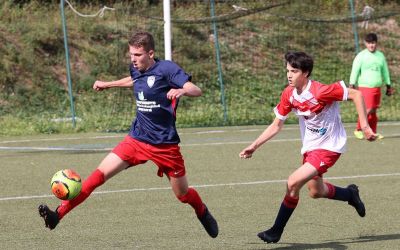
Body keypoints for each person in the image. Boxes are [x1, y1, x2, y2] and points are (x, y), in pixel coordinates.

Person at [38, 31, 218, 238]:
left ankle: (201, 211)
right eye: (131, 54)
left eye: (138, 55)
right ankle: (57, 215)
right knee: (98, 176)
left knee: (183, 195)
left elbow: (196, 89)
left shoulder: (167, 69)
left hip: (165, 146)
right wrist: (108, 84)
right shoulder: (135, 69)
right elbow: (134, 80)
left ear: (150, 53)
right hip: (136, 139)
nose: (133, 59)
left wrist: (182, 91)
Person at [239, 51, 376, 244]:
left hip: (329, 147)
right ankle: (350, 194)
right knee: (316, 191)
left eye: (294, 71)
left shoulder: (321, 91)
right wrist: (254, 146)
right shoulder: (289, 93)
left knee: (293, 182)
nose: (289, 75)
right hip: (311, 147)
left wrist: (365, 126)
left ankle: (275, 231)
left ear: (305, 73)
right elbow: (276, 125)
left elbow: (356, 94)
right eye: (287, 70)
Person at [350, 33, 394, 140]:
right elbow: (355, 70)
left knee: (373, 111)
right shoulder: (361, 56)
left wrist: (388, 85)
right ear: (365, 43)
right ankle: (358, 129)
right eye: (369, 43)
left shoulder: (380, 56)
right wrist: (352, 84)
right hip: (365, 87)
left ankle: (373, 132)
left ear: (376, 43)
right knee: (367, 109)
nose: (371, 45)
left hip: (377, 88)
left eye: (373, 43)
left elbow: (385, 72)